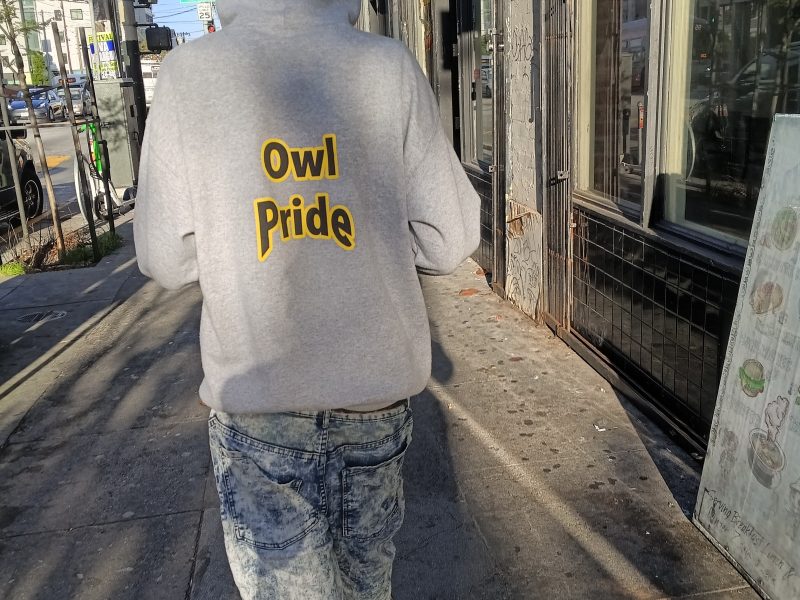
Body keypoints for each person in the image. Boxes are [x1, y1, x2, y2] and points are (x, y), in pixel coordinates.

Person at [133, 0, 480, 597]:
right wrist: (370, 249)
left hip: (258, 407)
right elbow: (449, 237)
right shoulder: (388, 66)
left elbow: (164, 256)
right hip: (373, 406)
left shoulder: (190, 75)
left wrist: (230, 250)